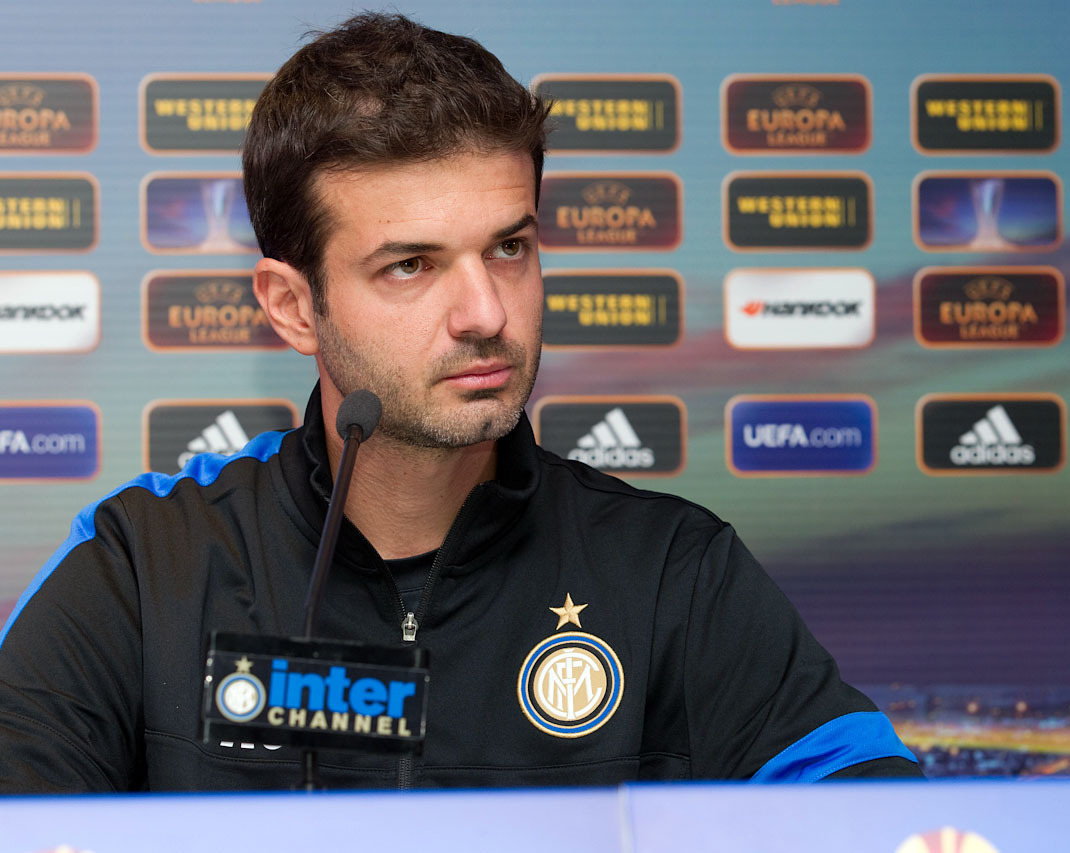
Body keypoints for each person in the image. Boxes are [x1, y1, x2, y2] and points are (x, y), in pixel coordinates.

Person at [0, 12, 920, 791]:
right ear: (293, 307)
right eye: (411, 265)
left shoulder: (673, 571)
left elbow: (880, 820)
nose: (486, 313)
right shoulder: (143, 568)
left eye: (509, 248)